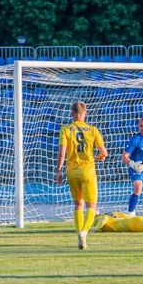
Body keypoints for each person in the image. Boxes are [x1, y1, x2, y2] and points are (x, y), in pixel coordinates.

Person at [55, 101, 107, 250]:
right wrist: (99, 157)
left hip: (71, 172)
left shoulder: (66, 129)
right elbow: (104, 152)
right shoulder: (92, 130)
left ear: (72, 113)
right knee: (92, 206)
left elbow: (62, 152)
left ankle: (79, 234)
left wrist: (58, 171)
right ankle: (84, 232)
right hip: (88, 171)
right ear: (85, 114)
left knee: (78, 204)